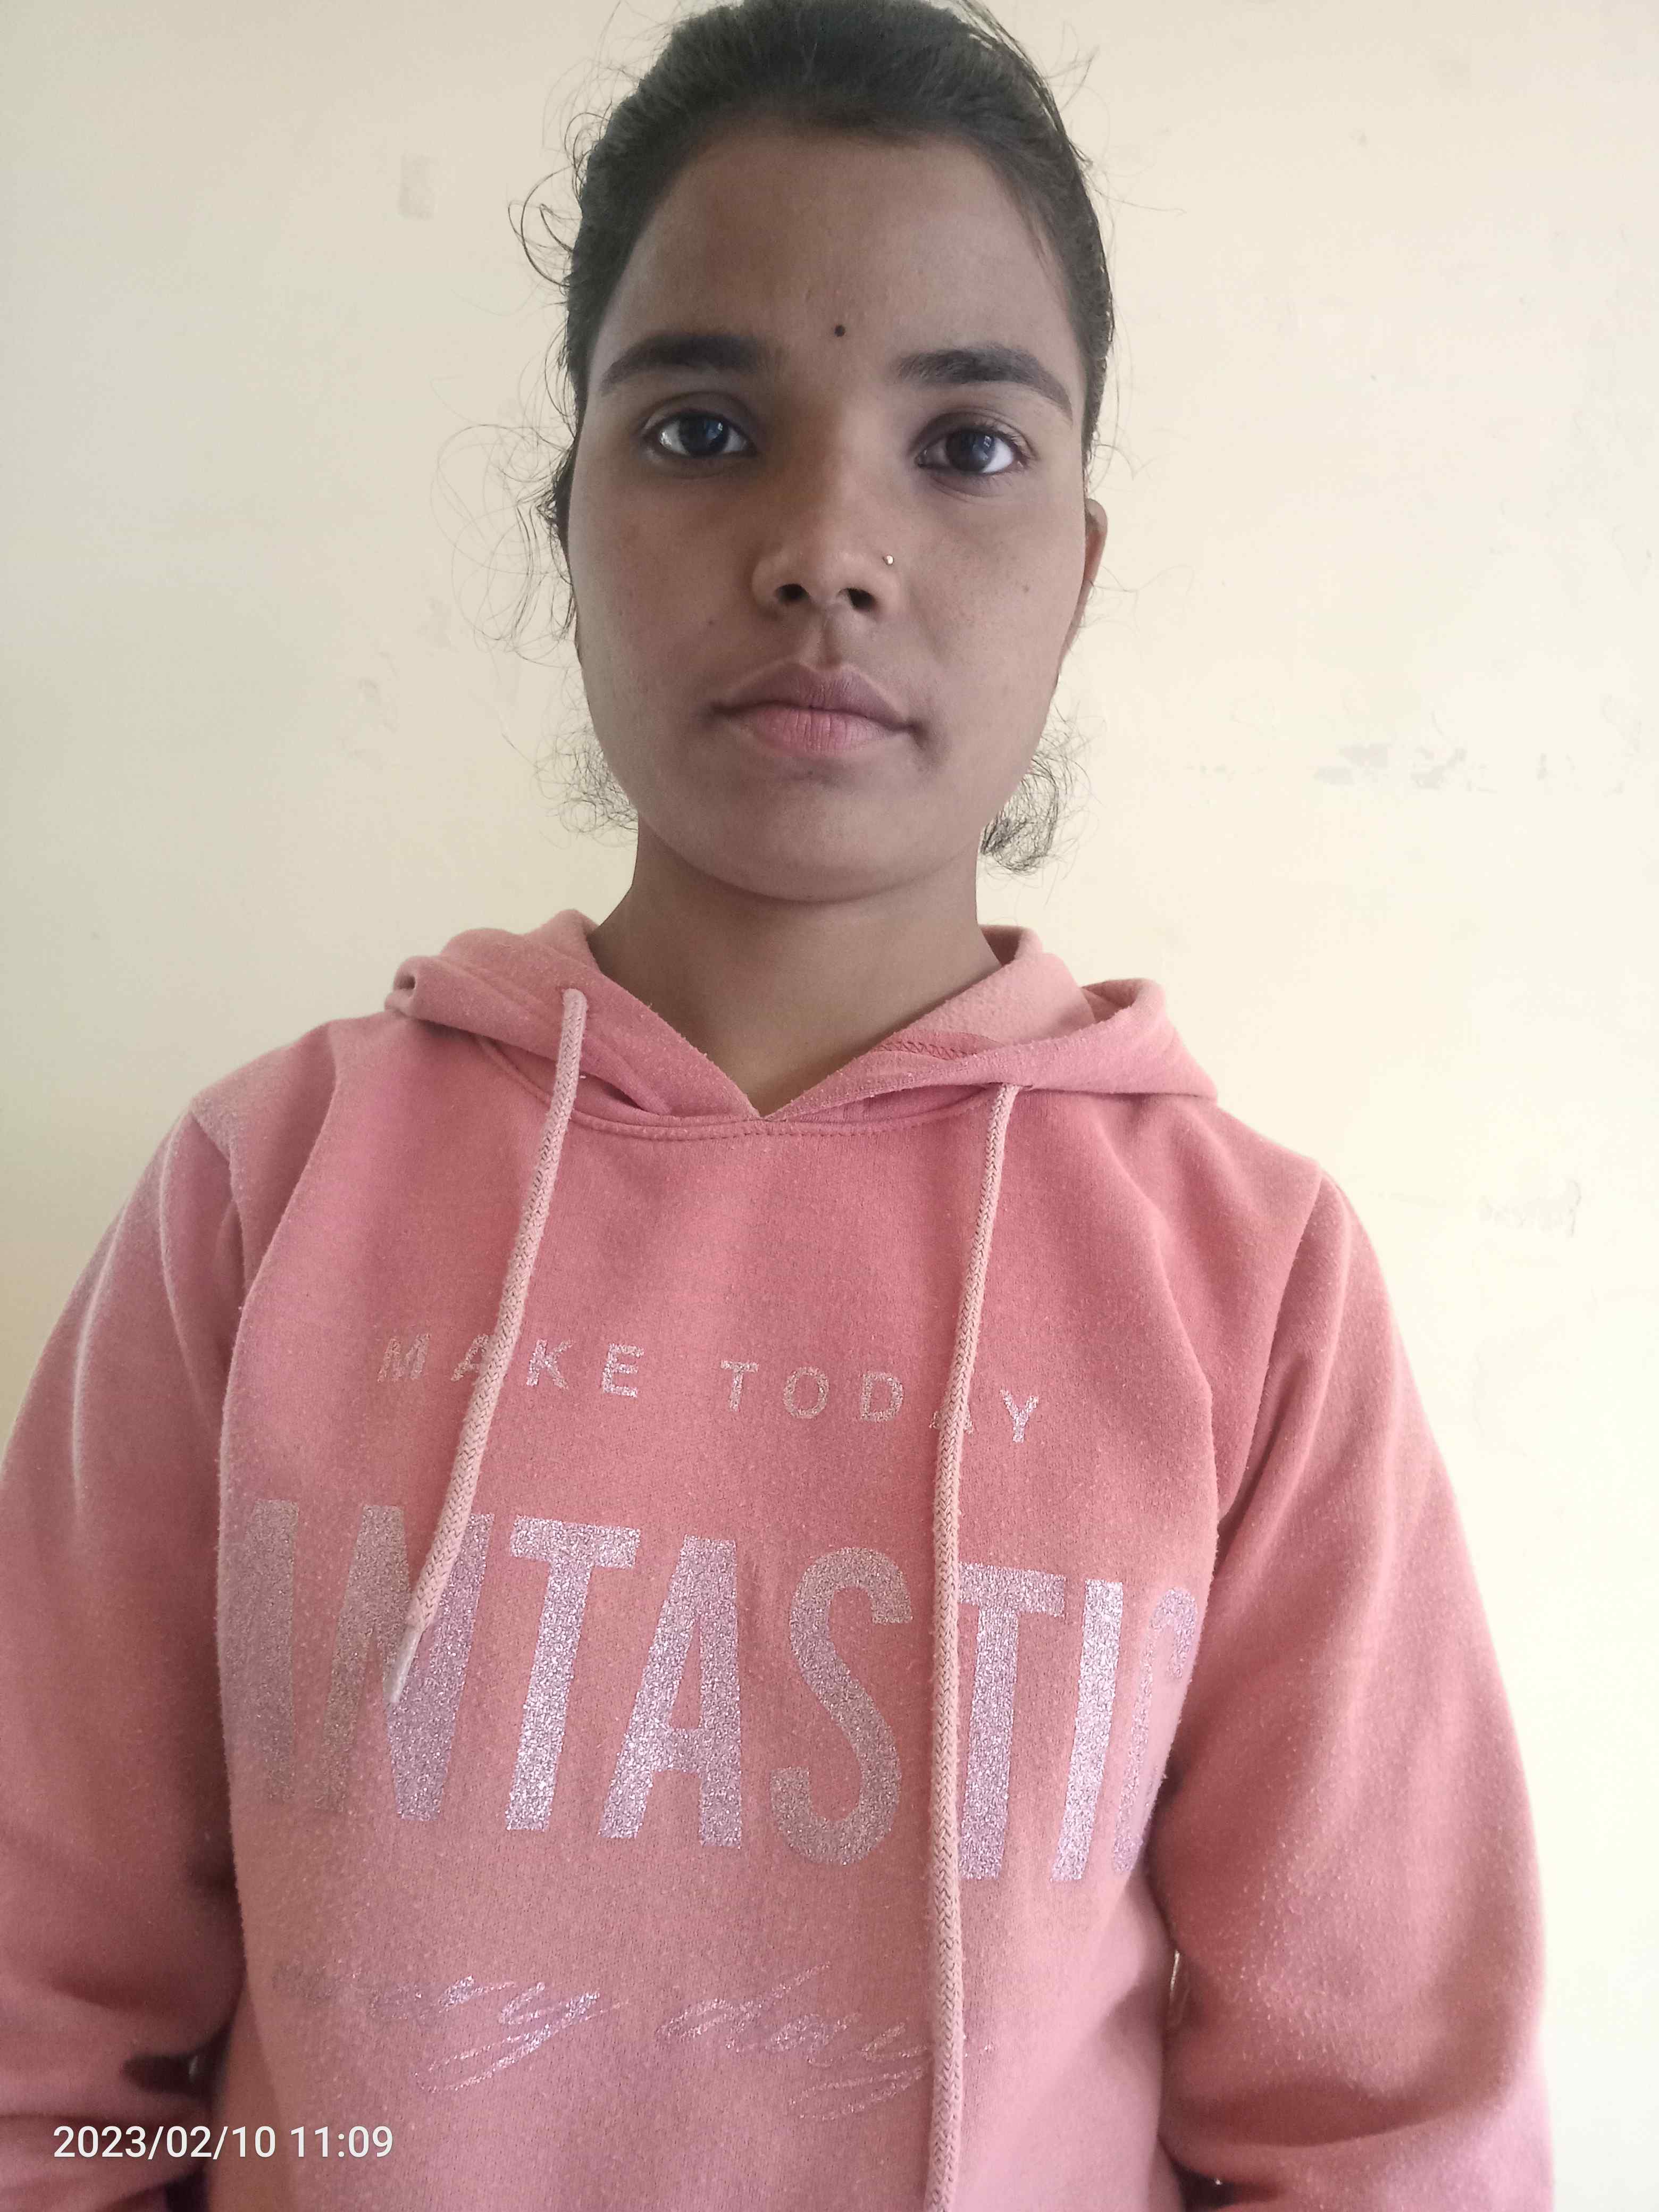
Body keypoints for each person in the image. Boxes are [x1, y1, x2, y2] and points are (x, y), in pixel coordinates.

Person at [0, 0, 1551, 2205]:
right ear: (568, 518)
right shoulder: (267, 1194)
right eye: (707, 427)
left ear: (1080, 568)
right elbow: (39, 2041)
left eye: (970, 444)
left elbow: (1387, 2125)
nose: (828, 542)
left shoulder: (1253, 1283)